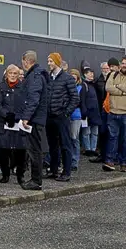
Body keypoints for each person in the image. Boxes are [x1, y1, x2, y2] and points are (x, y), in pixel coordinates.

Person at [17, 51, 50, 189]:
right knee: (34, 149)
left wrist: (26, 117)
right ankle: (35, 179)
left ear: (26, 61)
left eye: (22, 61)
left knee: (34, 150)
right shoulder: (36, 75)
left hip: (34, 120)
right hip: (36, 118)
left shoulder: (35, 76)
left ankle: (36, 181)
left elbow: (33, 99)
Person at [45, 53, 76, 182]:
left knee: (65, 144)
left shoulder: (67, 78)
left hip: (61, 116)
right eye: (48, 61)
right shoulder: (48, 78)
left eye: (51, 61)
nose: (49, 63)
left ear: (57, 62)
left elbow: (75, 98)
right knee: (52, 145)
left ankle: (66, 171)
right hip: (50, 116)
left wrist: (66, 112)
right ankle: (54, 170)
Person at [0, 66, 24, 184]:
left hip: (18, 123)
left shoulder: (23, 87)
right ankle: (5, 174)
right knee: (3, 151)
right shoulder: (1, 87)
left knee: (20, 151)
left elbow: (25, 104)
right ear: (6, 74)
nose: (13, 75)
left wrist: (16, 116)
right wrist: (7, 115)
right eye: (10, 73)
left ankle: (20, 175)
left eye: (15, 73)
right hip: (3, 123)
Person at [79, 66, 103, 159]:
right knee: (87, 132)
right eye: (90, 73)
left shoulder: (93, 85)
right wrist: (84, 111)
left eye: (92, 73)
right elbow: (82, 99)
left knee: (94, 132)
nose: (92, 74)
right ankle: (88, 149)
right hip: (88, 112)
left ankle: (93, 148)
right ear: (85, 74)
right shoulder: (84, 85)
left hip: (95, 112)